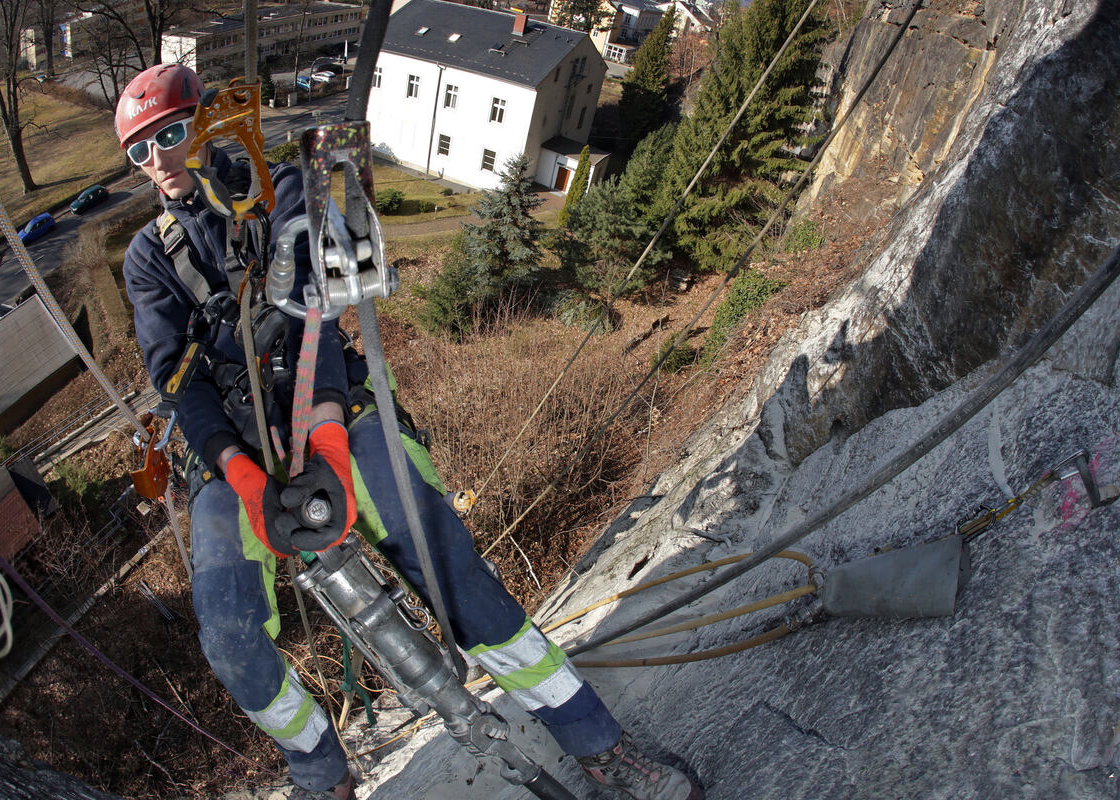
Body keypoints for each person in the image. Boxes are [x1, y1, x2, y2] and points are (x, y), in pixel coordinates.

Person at [116, 63, 701, 800]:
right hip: (230, 447)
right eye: (140, 150)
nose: (159, 160)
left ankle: (597, 743)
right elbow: (177, 382)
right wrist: (238, 472)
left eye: (169, 135)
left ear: (206, 123)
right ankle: (321, 774)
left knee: (448, 566)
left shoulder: (283, 187)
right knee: (230, 636)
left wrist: (324, 425)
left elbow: (321, 312)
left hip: (338, 406)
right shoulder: (150, 259)